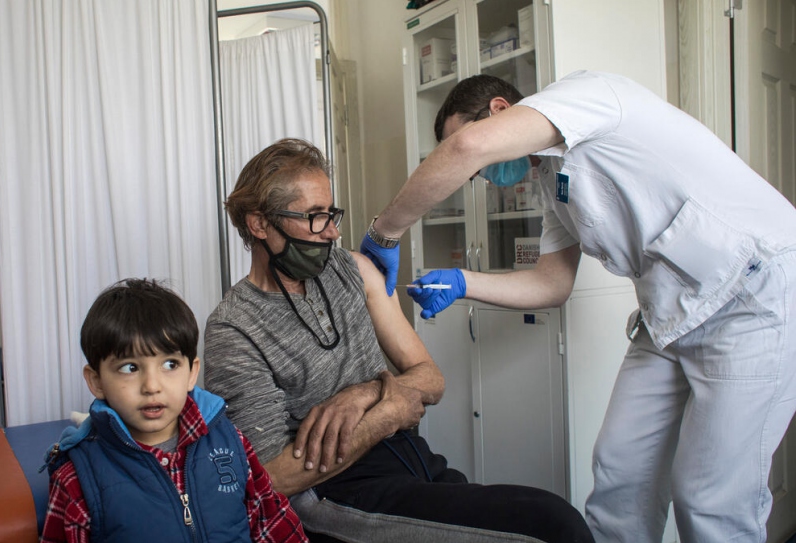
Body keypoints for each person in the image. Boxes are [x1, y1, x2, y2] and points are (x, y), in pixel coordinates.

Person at [359, 70, 796, 542]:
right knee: (620, 475)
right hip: (670, 313)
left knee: (710, 498)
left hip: (749, 298)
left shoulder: (589, 95)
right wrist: (464, 281)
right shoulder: (552, 181)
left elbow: (468, 149)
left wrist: (386, 230)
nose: (475, 175)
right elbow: (551, 284)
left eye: (464, 143)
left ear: (500, 111)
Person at [204, 138, 594, 543]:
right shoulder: (234, 329)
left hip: (409, 457)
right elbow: (272, 478)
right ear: (259, 224)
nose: (333, 231)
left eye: (331, 213)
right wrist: (388, 413)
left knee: (541, 515)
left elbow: (430, 379)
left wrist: (362, 394)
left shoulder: (352, 269)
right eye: (315, 217)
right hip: (334, 491)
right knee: (550, 526)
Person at [39, 278, 307, 543]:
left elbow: (271, 521)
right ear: (96, 381)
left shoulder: (230, 441)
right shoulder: (77, 478)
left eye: (169, 365)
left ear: (192, 373)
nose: (152, 386)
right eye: (130, 368)